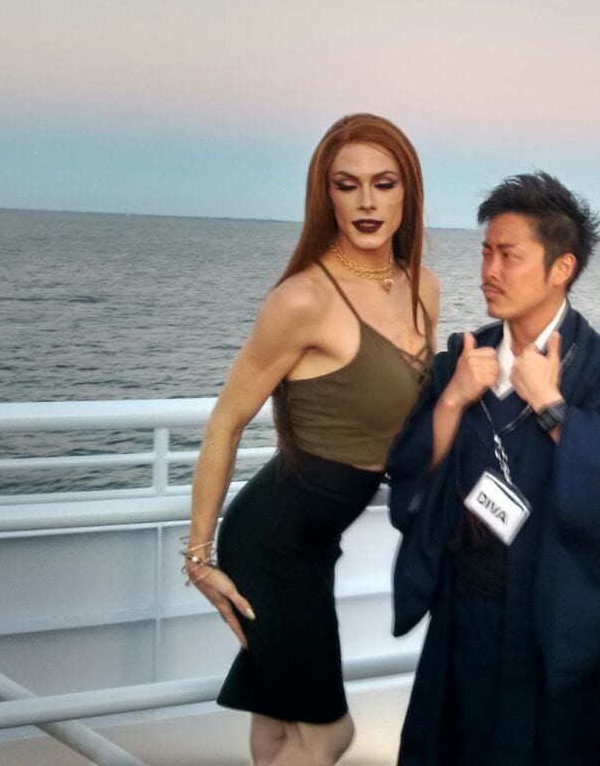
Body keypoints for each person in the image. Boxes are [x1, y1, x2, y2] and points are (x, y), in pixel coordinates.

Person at [387, 172, 600, 766]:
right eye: (485, 252)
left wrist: (552, 406)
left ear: (562, 266)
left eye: (508, 255)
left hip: (550, 623)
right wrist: (452, 401)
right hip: (464, 610)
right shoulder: (464, 359)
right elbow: (412, 475)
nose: (489, 270)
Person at [183, 113, 438, 766]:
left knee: (278, 729)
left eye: (383, 183)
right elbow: (226, 421)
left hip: (316, 543)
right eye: (346, 185)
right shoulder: (303, 300)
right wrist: (199, 558)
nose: (366, 202)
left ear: (407, 193)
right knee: (328, 734)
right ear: (326, 197)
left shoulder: (423, 288)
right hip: (271, 543)